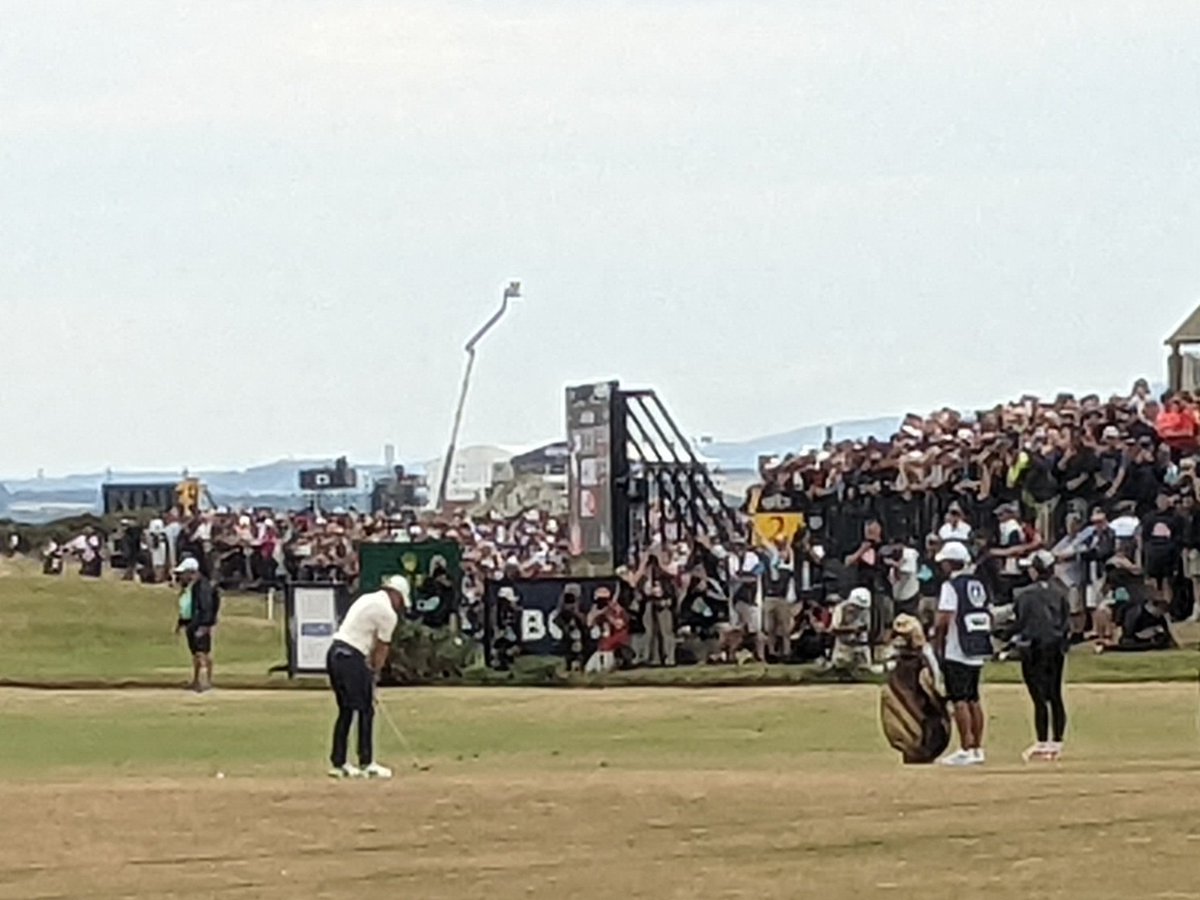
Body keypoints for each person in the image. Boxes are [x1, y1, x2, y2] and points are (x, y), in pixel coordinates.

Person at [326, 574, 409, 779]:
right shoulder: (388, 613)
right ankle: (366, 762)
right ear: (396, 595)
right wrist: (374, 674)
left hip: (334, 653)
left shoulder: (366, 598)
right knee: (365, 709)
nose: (400, 605)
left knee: (346, 710)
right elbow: (381, 648)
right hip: (351, 656)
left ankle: (339, 763)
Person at [1004, 551, 1071, 762]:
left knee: (1039, 697)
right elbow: (1066, 621)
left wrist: (1003, 637)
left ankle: (1043, 741)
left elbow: (1020, 622)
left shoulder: (1025, 594)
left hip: (1034, 648)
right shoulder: (1060, 591)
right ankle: (1057, 742)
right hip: (1056, 647)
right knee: (1055, 694)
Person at [933, 541, 993, 767]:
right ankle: (977, 747)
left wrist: (937, 642)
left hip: (957, 646)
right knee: (973, 697)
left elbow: (944, 618)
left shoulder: (951, 586)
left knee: (959, 698)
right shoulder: (978, 583)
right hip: (977, 644)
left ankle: (966, 747)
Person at [880, 614, 951, 764]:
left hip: (922, 701)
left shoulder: (924, 655)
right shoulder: (897, 655)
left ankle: (923, 750)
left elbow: (935, 678)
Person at [173, 557, 219, 693]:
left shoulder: (203, 586)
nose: (181, 576)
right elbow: (187, 606)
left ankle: (206, 681)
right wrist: (181, 623)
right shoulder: (190, 587)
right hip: (192, 623)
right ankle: (196, 680)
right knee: (195, 654)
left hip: (200, 624)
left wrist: (204, 625)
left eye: (183, 573)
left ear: (191, 572)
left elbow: (206, 607)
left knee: (202, 653)